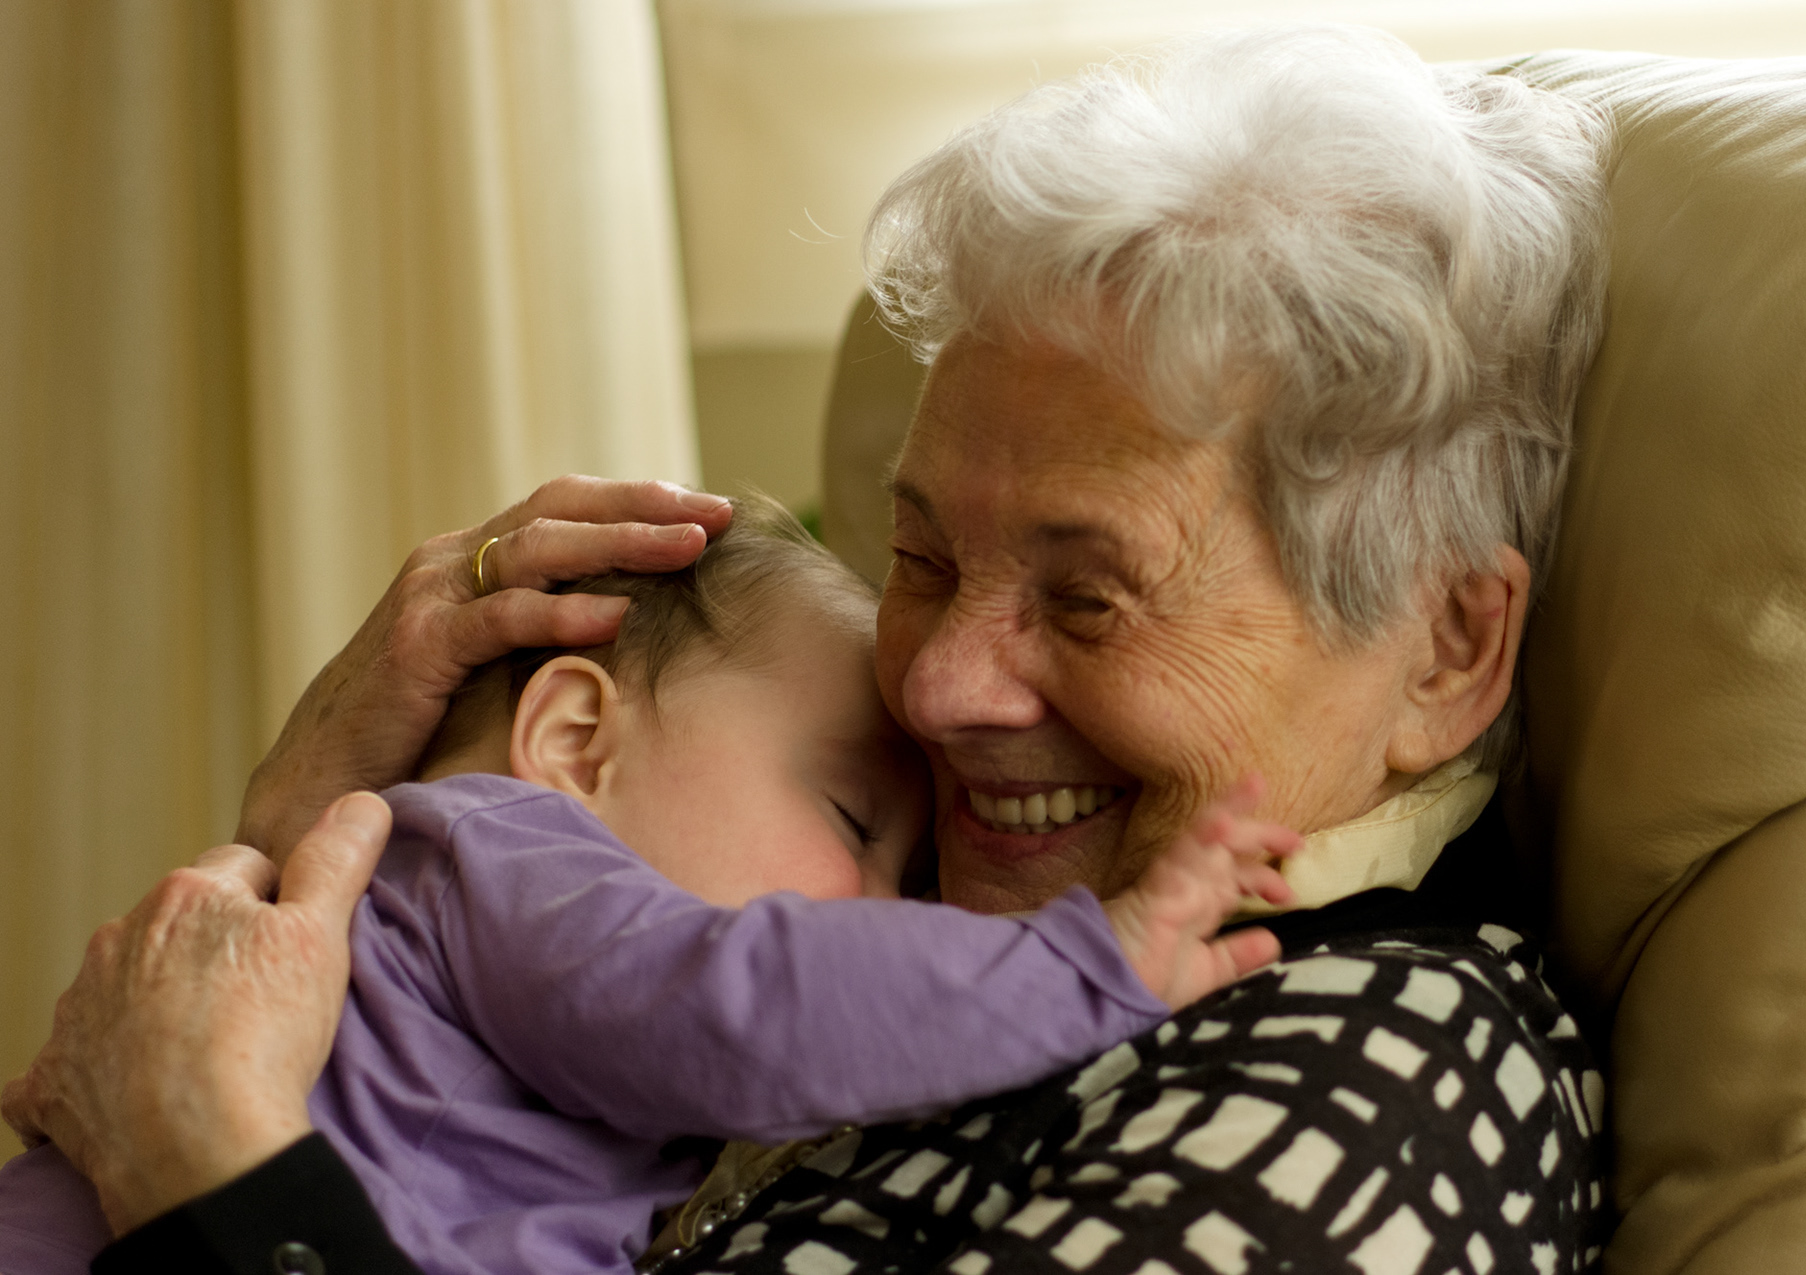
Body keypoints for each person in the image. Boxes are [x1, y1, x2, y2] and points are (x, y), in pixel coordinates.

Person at [5, 22, 1617, 1275]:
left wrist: (207, 1160)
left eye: (1087, 599)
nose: (937, 688)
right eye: (921, 559)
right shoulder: (931, 900)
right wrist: (308, 831)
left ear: (1444, 650)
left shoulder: (1378, 1067)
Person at [0, 499, 1294, 1275]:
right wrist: (1091, 964)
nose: (890, 909)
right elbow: (754, 1007)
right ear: (575, 741)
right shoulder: (496, 851)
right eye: (852, 820)